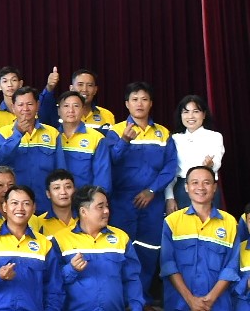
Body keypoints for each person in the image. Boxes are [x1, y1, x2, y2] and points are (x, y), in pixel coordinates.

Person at [49, 186, 145, 311]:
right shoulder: (61, 240)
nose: (106, 211)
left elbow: (132, 279)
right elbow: (51, 283)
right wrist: (71, 269)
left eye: (107, 206)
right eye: (100, 207)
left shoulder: (121, 238)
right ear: (83, 211)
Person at [110, 82, 179, 293]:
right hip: (122, 201)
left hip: (152, 200)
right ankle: (124, 299)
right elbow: (110, 161)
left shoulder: (163, 133)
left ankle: (143, 297)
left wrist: (152, 190)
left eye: (144, 99)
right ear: (127, 104)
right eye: (135, 99)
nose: (139, 104)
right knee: (121, 248)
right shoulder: (116, 131)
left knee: (150, 248)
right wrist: (124, 141)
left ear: (151, 103)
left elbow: (170, 166)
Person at [160, 166, 237, 311]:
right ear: (186, 187)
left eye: (206, 183)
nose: (200, 187)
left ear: (215, 187)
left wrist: (209, 300)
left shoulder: (230, 223)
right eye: (195, 182)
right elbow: (168, 265)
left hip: (217, 309)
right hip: (181, 308)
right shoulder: (172, 222)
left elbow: (231, 267)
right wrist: (190, 300)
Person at [0, 87, 61, 213]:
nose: (25, 109)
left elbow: (61, 170)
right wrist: (18, 134)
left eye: (30, 104)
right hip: (17, 207)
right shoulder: (2, 133)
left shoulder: (52, 133)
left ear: (37, 105)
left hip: (47, 204)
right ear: (13, 107)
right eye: (20, 105)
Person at [167, 94, 224, 210]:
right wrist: (169, 197)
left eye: (196, 111)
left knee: (211, 221)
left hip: (207, 187)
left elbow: (217, 160)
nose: (190, 116)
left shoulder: (214, 136)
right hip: (182, 189)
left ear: (204, 114)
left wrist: (210, 165)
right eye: (186, 112)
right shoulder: (174, 139)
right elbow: (169, 171)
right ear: (180, 115)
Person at [53, 91, 114, 192]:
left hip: (85, 198)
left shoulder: (97, 138)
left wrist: (95, 198)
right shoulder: (52, 136)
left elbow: (102, 178)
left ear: (83, 110)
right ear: (59, 111)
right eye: (66, 106)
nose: (71, 110)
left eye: (76, 106)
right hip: (57, 198)